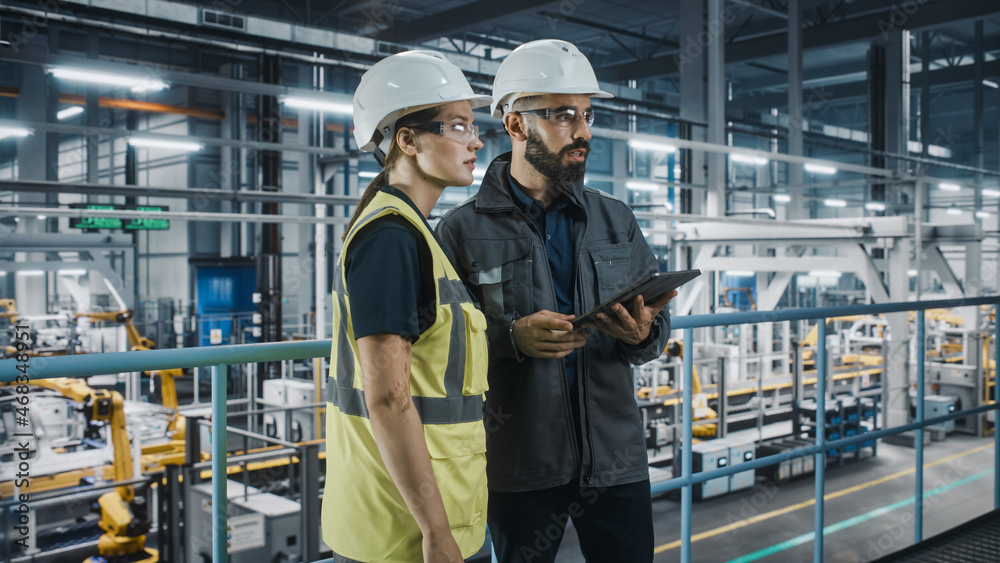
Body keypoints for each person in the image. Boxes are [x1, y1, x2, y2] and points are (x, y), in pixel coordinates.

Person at [436, 39, 674, 562]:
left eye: (587, 114)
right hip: (520, 464)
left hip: (614, 460)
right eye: (564, 115)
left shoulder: (615, 220)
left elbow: (656, 330)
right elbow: (439, 352)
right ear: (517, 124)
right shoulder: (462, 233)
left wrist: (644, 334)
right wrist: (509, 337)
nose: (584, 131)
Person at [321, 50, 492, 563]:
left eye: (474, 127)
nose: (476, 141)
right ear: (407, 140)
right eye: (458, 126)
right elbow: (387, 399)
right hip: (405, 536)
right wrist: (435, 534)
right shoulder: (391, 238)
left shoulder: (412, 231)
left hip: (429, 518)